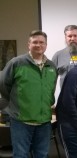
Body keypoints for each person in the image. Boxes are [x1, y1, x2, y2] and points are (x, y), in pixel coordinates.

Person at [0, 30, 57, 158]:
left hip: (44, 122)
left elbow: (51, 90)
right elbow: (4, 85)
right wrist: (15, 103)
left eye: (41, 42)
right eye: (35, 42)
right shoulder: (17, 63)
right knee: (21, 155)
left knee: (42, 154)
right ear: (28, 45)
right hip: (21, 121)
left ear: (46, 45)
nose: (38, 45)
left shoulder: (51, 66)